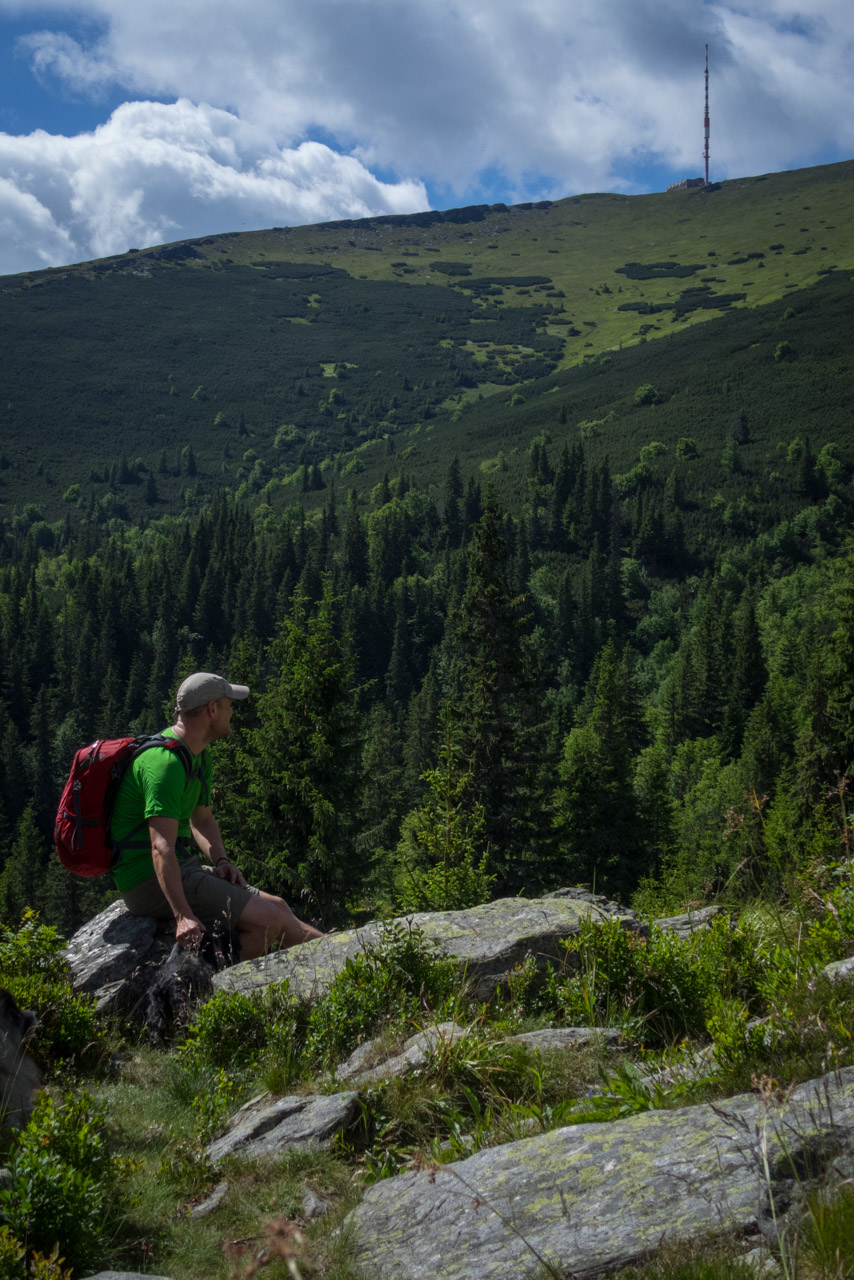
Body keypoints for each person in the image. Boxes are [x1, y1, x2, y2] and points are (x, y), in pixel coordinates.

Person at [110, 672, 322, 958]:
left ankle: (342, 956)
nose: (232, 710)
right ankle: (202, 977)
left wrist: (221, 861)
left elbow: (202, 820)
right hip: (148, 881)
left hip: (181, 868)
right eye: (228, 704)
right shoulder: (166, 764)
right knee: (269, 921)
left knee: (279, 907)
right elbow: (161, 848)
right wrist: (182, 915)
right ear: (212, 709)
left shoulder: (196, 754)